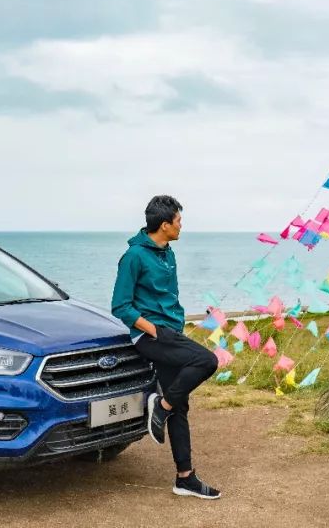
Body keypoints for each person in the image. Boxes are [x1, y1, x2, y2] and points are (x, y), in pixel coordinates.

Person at [111, 195, 221, 500]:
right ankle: (161, 406)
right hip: (151, 337)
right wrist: (155, 331)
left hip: (171, 331)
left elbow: (167, 297)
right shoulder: (134, 257)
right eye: (178, 221)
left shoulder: (167, 252)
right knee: (208, 361)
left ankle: (184, 478)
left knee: (181, 404)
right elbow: (120, 306)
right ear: (164, 225)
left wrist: (173, 326)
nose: (181, 225)